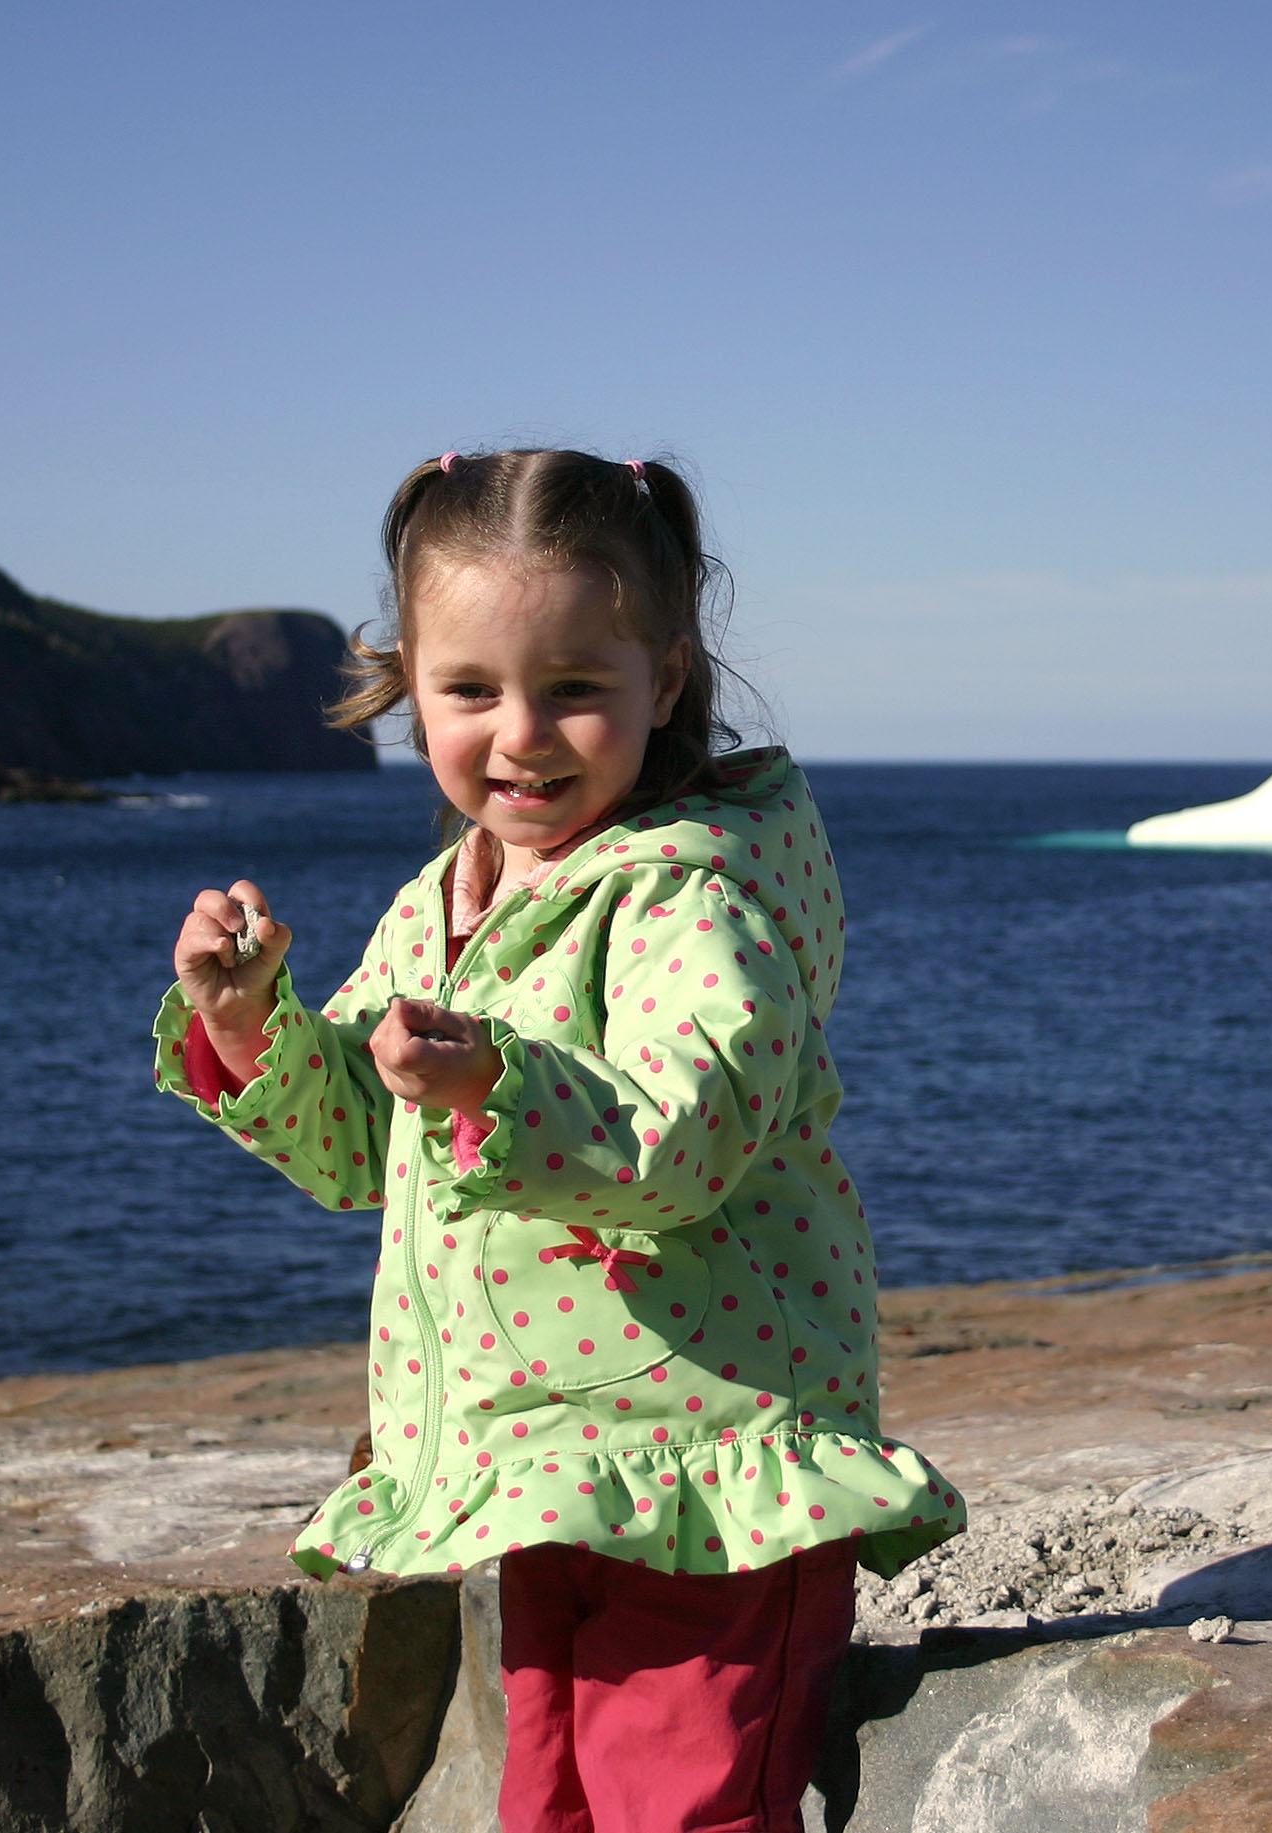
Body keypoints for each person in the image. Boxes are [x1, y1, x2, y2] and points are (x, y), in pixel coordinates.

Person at [154, 447, 961, 1833]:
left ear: (668, 677)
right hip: (549, 1465)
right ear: (409, 686)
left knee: (685, 1800)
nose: (521, 735)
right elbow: (359, 1146)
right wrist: (247, 1027)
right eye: (470, 690)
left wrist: (496, 1085)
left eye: (575, 687)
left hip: (711, 1460)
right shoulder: (449, 897)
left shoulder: (693, 900)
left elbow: (683, 1140)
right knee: (552, 1800)